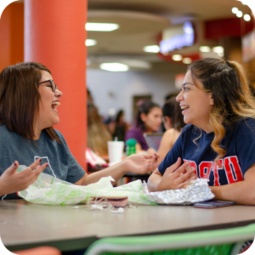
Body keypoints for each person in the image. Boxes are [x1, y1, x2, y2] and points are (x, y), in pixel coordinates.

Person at [0, 62, 158, 200]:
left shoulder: (56, 140)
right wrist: (3, 186)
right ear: (25, 93)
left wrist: (124, 165)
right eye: (50, 86)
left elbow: (82, 184)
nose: (59, 93)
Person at [148, 58, 255, 206]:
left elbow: (252, 191)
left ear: (212, 95)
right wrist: (163, 185)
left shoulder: (247, 129)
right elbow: (154, 178)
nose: (178, 97)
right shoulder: (189, 133)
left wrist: (202, 191)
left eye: (187, 88)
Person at [156, 97, 185, 164]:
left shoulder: (171, 133)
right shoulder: (194, 132)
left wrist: (152, 152)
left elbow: (159, 165)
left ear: (167, 119)